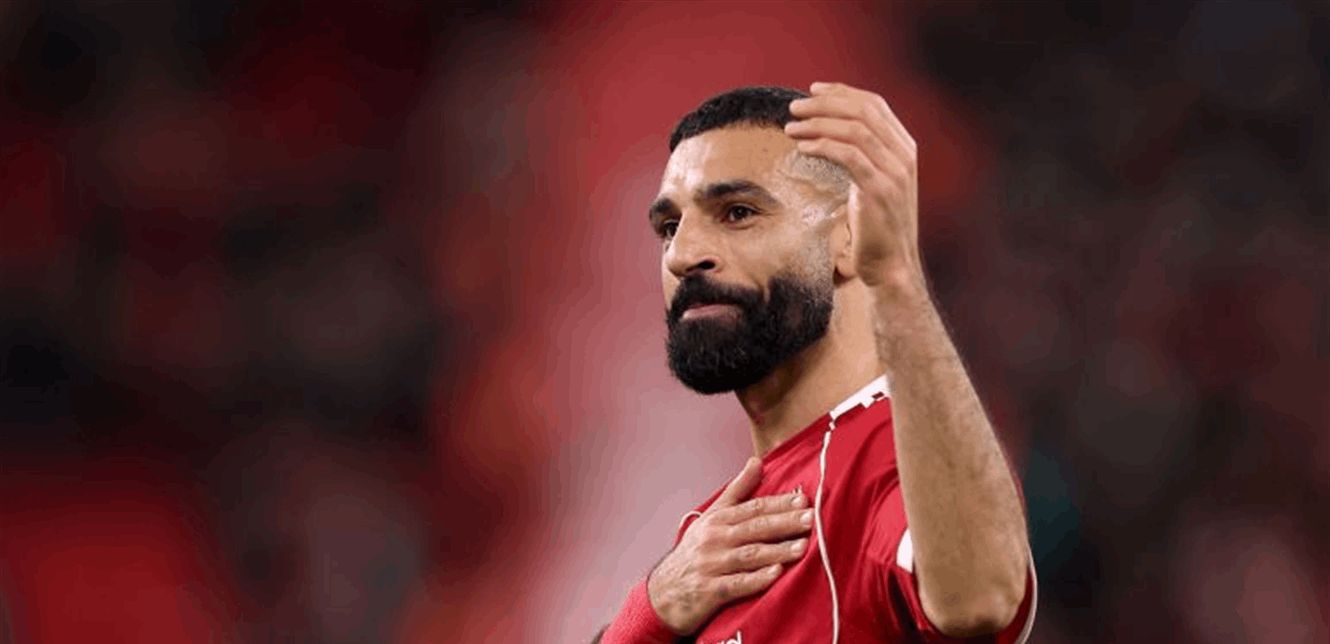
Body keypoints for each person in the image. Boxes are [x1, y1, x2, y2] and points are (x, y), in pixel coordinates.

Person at [594, 84, 1036, 643]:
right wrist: (651, 609)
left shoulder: (897, 459)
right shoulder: (716, 540)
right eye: (669, 228)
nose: (681, 255)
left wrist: (896, 278)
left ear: (849, 238)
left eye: (737, 213)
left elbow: (981, 600)